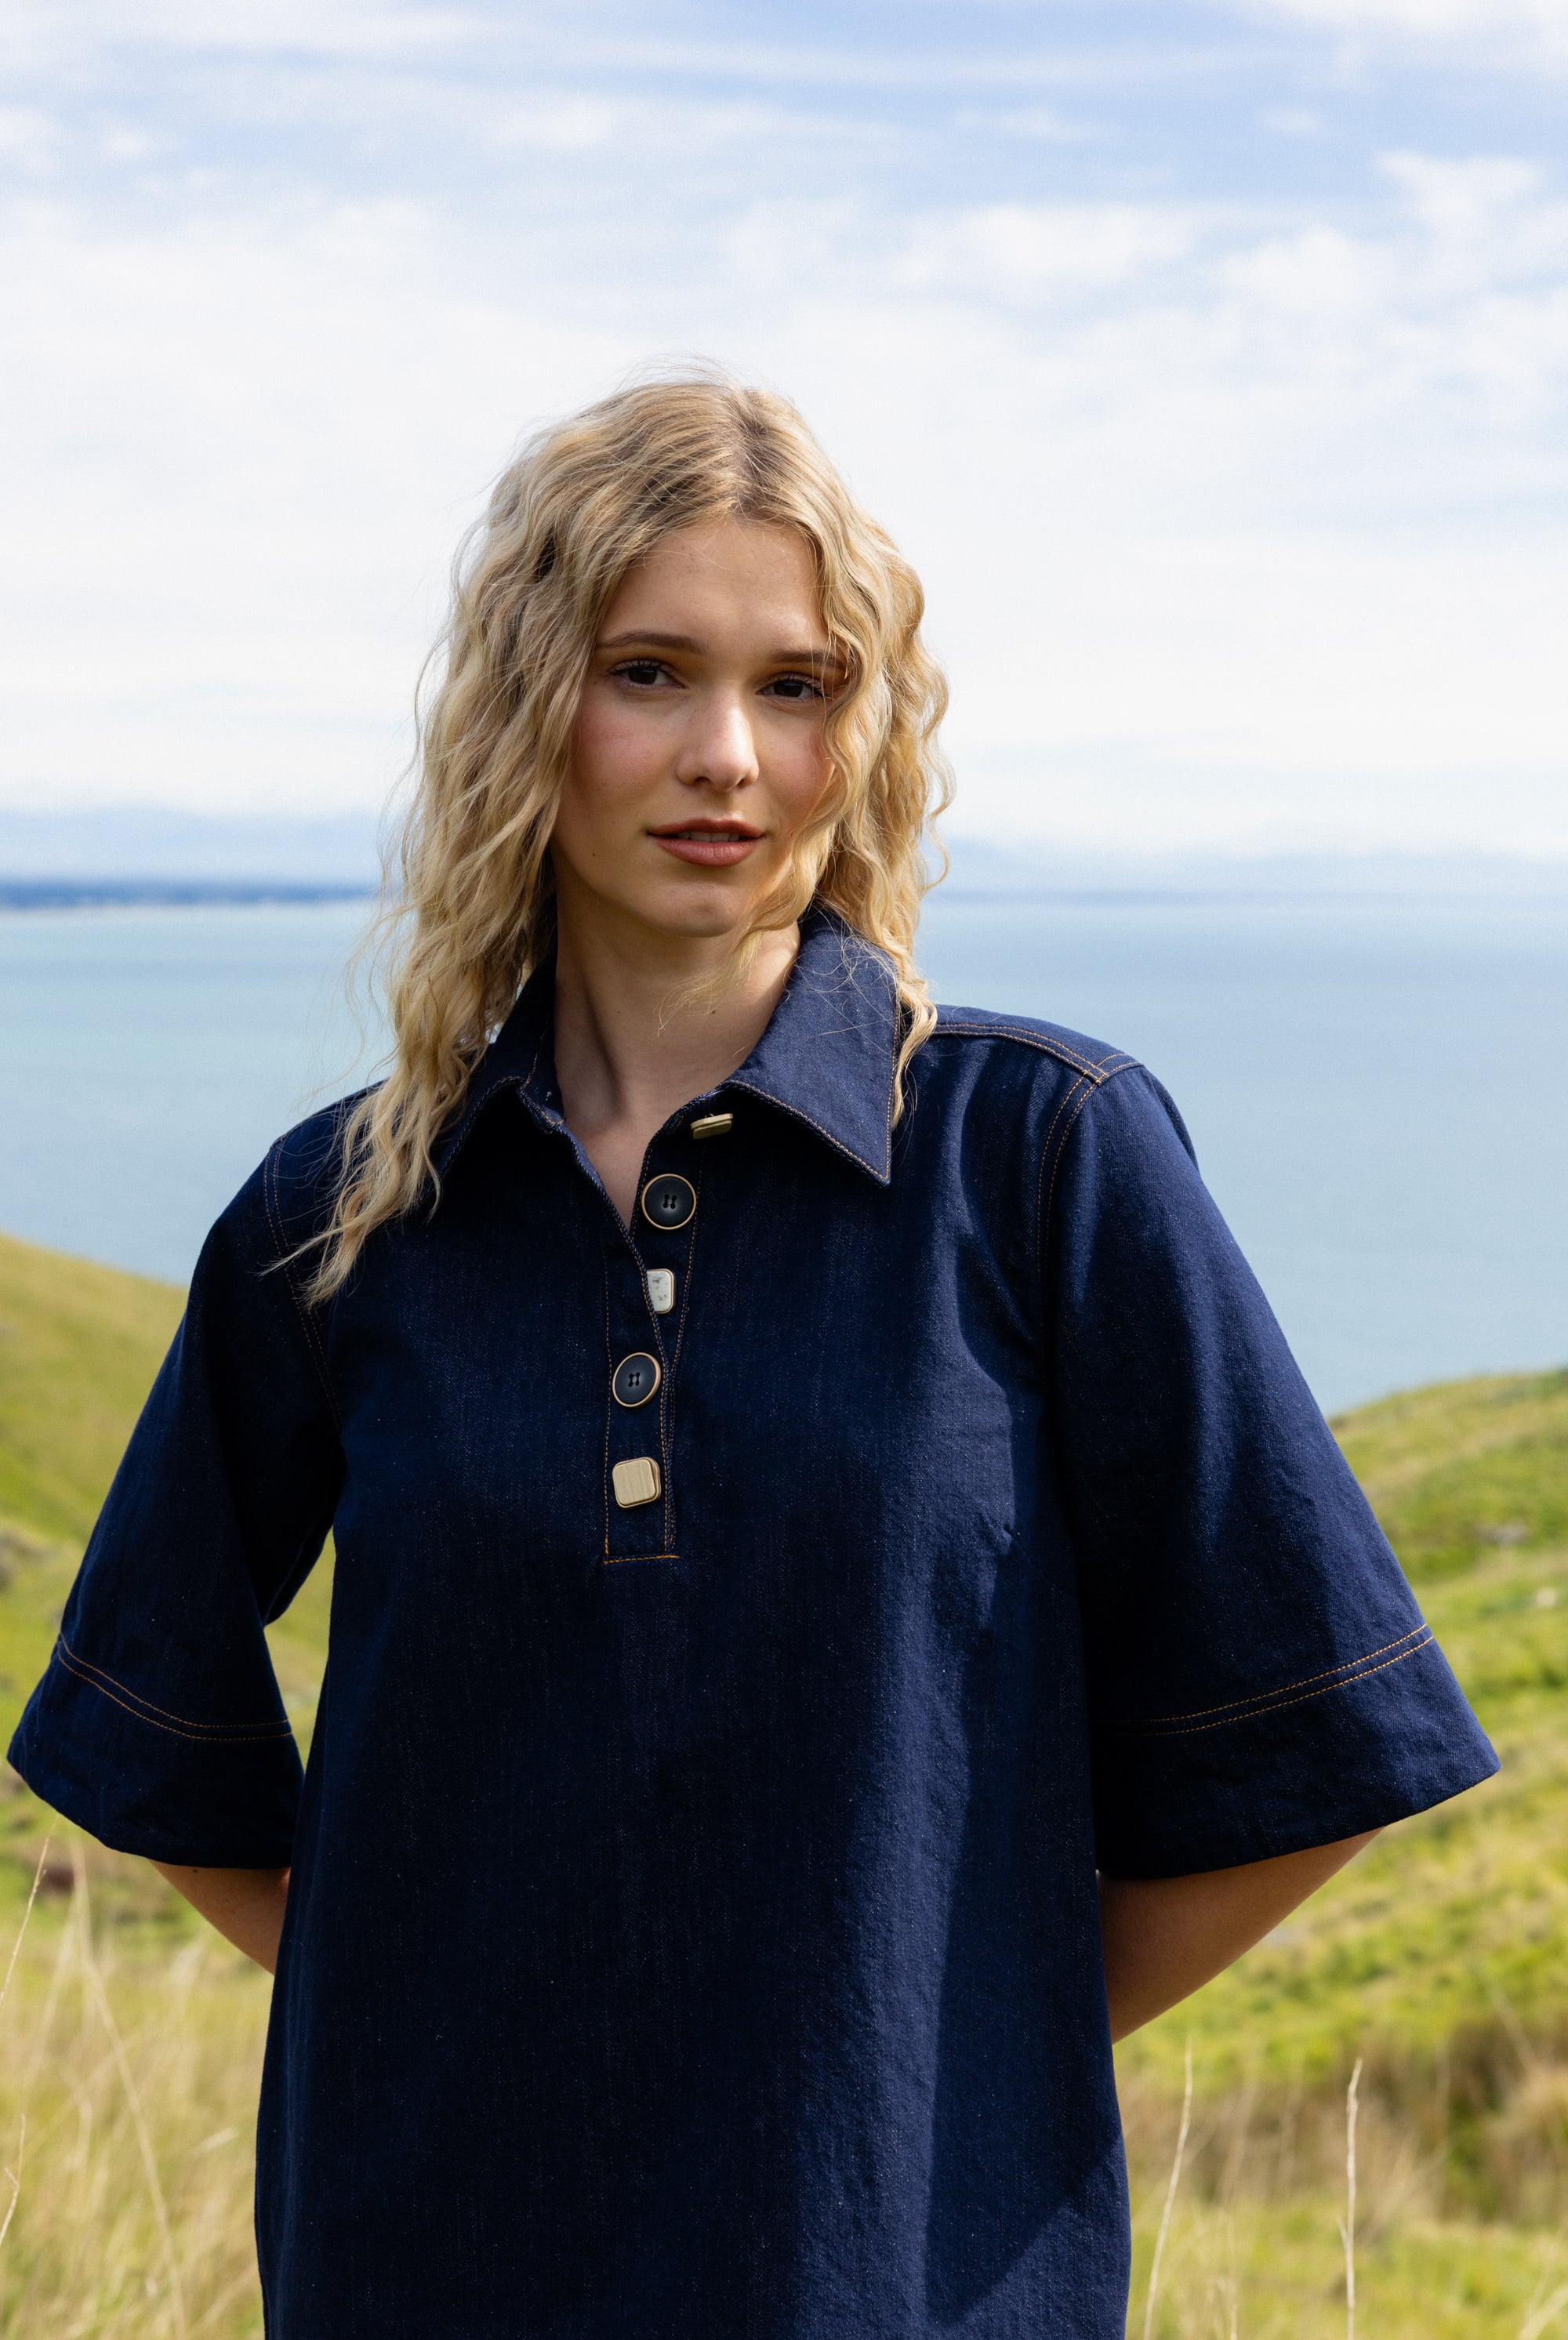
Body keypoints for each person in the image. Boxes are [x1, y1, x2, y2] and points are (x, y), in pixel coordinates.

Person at [10, 375, 1495, 2340]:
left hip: (898, 2270)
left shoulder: (1039, 1152)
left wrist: (944, 2027)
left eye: (796, 685)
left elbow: (1326, 1746)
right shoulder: (349, 1210)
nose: (727, 755)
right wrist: (429, 2015)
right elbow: (151, 1725)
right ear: (529, 709)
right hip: (419, 2268)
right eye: (649, 670)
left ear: (862, 733)